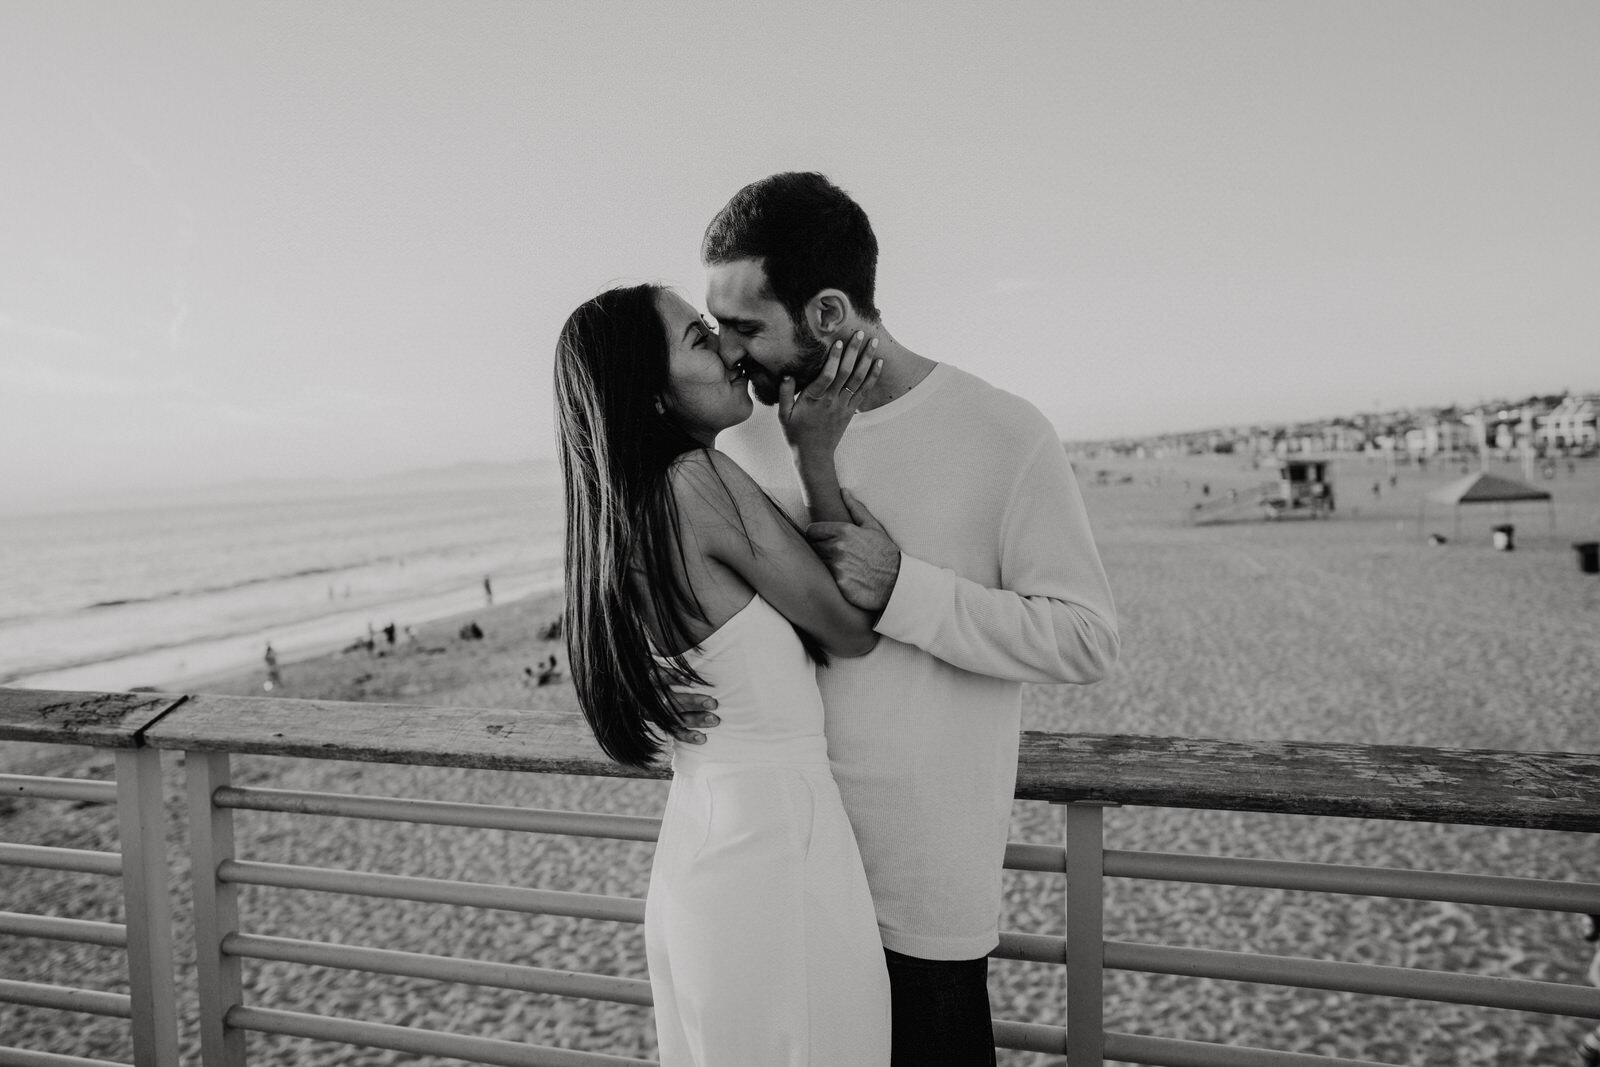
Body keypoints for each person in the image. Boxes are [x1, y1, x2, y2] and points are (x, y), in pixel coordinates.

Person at [696, 172, 1120, 1064]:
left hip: (924, 897)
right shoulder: (746, 439)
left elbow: (1085, 637)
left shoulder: (1003, 433)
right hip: (792, 870)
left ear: (828, 313)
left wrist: (905, 590)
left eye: (746, 327)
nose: (731, 354)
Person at [554, 282, 892, 1065]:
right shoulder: (697, 482)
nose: (730, 352)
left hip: (709, 840)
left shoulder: (624, 512)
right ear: (651, 392)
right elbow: (851, 628)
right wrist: (814, 453)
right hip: (772, 849)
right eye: (701, 341)